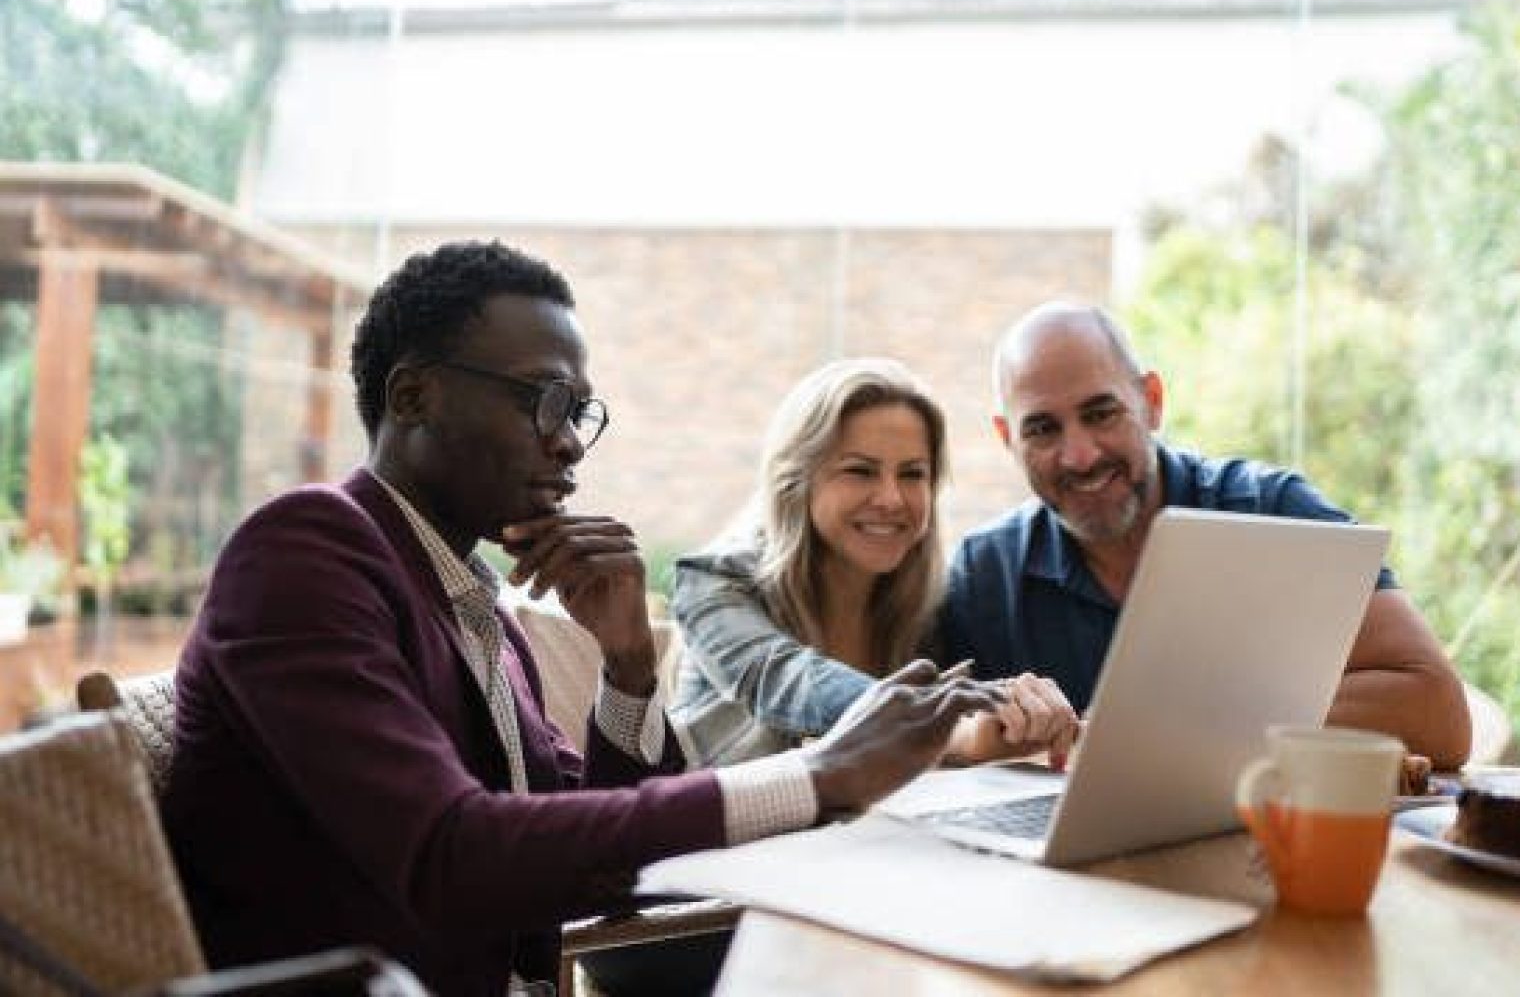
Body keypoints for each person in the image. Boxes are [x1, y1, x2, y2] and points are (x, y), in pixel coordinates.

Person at [162, 242, 1000, 997]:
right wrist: (822, 775)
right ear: (414, 395)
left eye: (578, 414)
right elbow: (452, 855)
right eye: (546, 401)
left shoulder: (471, 598)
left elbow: (592, 853)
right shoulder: (305, 552)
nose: (569, 444)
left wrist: (629, 665)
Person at [937, 300, 1472, 770]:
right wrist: (979, 736)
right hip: (1056, 874)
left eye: (1101, 414)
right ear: (1007, 438)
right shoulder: (984, 574)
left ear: (1152, 401)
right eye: (1042, 428)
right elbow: (929, 740)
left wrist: (1180, 725)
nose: (1080, 455)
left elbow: (1438, 712)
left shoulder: (1275, 511)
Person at [671, 358, 1079, 772]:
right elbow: (786, 682)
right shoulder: (712, 583)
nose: (892, 498)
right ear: (796, 482)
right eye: (860, 471)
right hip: (717, 834)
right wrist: (949, 726)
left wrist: (1019, 711)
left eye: (912, 474)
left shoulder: (929, 605)